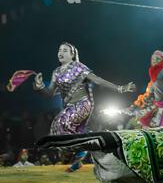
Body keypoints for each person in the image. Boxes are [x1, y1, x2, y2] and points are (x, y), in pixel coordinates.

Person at [33, 42, 136, 172]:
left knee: (61, 122)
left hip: (83, 104)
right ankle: (81, 155)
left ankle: (86, 147)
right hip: (69, 107)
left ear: (72, 54)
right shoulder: (56, 72)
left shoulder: (79, 68)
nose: (61, 52)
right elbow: (49, 93)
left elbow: (98, 80)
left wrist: (120, 88)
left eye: (65, 50)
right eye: (59, 50)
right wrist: (39, 86)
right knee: (58, 131)